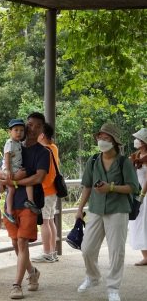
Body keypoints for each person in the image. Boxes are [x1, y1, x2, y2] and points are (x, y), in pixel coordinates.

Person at [75, 123, 140, 301]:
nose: (102, 141)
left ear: (114, 142)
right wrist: (80, 209)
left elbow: (133, 188)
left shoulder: (124, 162)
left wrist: (110, 187)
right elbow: (87, 186)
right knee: (87, 248)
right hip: (95, 209)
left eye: (106, 138)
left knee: (116, 251)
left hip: (118, 210)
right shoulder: (93, 160)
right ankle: (92, 277)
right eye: (100, 137)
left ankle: (113, 288)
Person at [0, 112, 49, 299]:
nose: (32, 128)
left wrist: (16, 182)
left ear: (42, 129)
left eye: (37, 126)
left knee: (22, 241)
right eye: (29, 124)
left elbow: (39, 177)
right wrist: (8, 178)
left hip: (29, 202)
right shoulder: (14, 145)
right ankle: (32, 272)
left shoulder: (44, 152)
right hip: (12, 203)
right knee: (15, 242)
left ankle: (16, 285)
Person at [1, 119, 40, 224]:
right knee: (12, 190)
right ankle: (9, 211)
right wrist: (9, 171)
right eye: (16, 130)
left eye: (21, 130)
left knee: (27, 182)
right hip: (10, 170)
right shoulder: (9, 143)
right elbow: (7, 156)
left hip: (16, 169)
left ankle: (30, 201)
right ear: (10, 132)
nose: (19, 133)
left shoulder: (18, 143)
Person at [31, 122, 59, 263]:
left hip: (45, 190)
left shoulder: (44, 150)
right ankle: (52, 252)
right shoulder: (53, 148)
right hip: (52, 190)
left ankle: (47, 252)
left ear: (42, 135)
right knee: (50, 221)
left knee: (45, 222)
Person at [128, 128, 147, 266]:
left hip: (144, 195)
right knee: (137, 223)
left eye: (139, 139)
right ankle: (145, 254)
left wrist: (142, 194)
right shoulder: (135, 156)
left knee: (143, 224)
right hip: (137, 193)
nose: (136, 141)